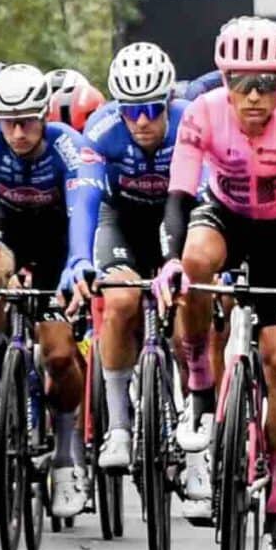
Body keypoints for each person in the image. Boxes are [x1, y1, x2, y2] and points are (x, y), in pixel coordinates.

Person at [157, 16, 276, 550]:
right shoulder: (201, 111)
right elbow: (179, 195)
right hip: (226, 213)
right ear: (223, 79)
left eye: (268, 83)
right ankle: (202, 391)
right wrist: (168, 262)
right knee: (194, 264)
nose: (254, 97)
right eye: (241, 82)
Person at [0, 62, 101, 521]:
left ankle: (67, 456)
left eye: (27, 120)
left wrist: (79, 262)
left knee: (60, 356)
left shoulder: (73, 148)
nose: (17, 131)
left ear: (44, 114)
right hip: (5, 224)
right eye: (7, 120)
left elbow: (84, 211)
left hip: (58, 238)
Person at [83, 41, 187, 472]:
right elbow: (85, 201)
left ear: (168, 102)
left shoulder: (188, 123)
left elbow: (203, 200)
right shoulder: (101, 129)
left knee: (188, 310)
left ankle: (194, 414)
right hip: (120, 220)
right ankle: (120, 428)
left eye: (151, 109)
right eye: (131, 110)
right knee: (122, 301)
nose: (141, 121)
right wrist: (78, 259)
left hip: (175, 216)